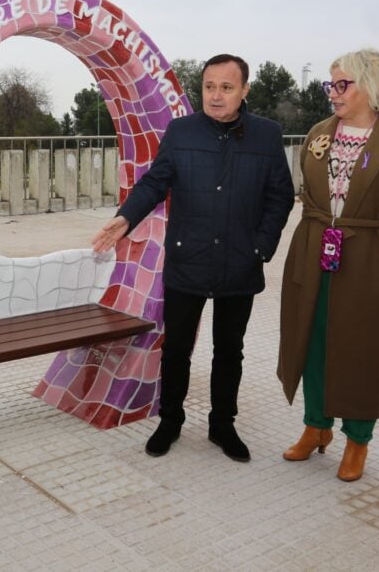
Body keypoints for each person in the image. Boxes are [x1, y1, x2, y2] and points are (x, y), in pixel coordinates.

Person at [92, 54, 294, 462]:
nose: (216, 96)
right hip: (189, 258)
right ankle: (170, 421)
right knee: (177, 348)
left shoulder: (266, 136)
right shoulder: (181, 132)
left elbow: (280, 196)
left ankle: (223, 425)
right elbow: (155, 181)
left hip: (240, 261)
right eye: (208, 86)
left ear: (244, 91)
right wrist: (126, 218)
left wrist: (260, 247)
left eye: (226, 87)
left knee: (229, 350)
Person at [277, 48, 379, 482]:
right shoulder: (318, 134)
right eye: (331, 84)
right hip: (313, 255)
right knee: (312, 341)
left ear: (372, 86)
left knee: (364, 350)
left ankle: (358, 440)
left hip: (370, 263)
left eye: (342, 84)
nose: (333, 92)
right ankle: (316, 427)